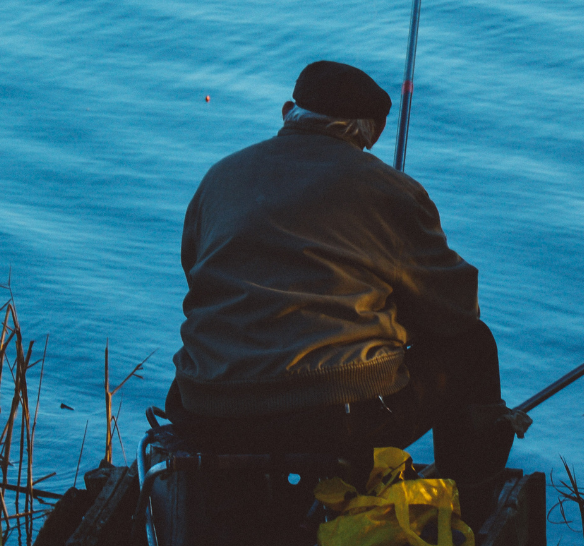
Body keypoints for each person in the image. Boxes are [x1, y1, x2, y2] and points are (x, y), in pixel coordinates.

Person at [162, 59, 515, 508]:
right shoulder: (390, 190)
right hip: (333, 420)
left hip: (205, 409)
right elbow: (456, 311)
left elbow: (197, 273)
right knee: (473, 347)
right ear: (372, 132)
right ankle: (471, 504)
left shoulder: (219, 178)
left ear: (289, 109)